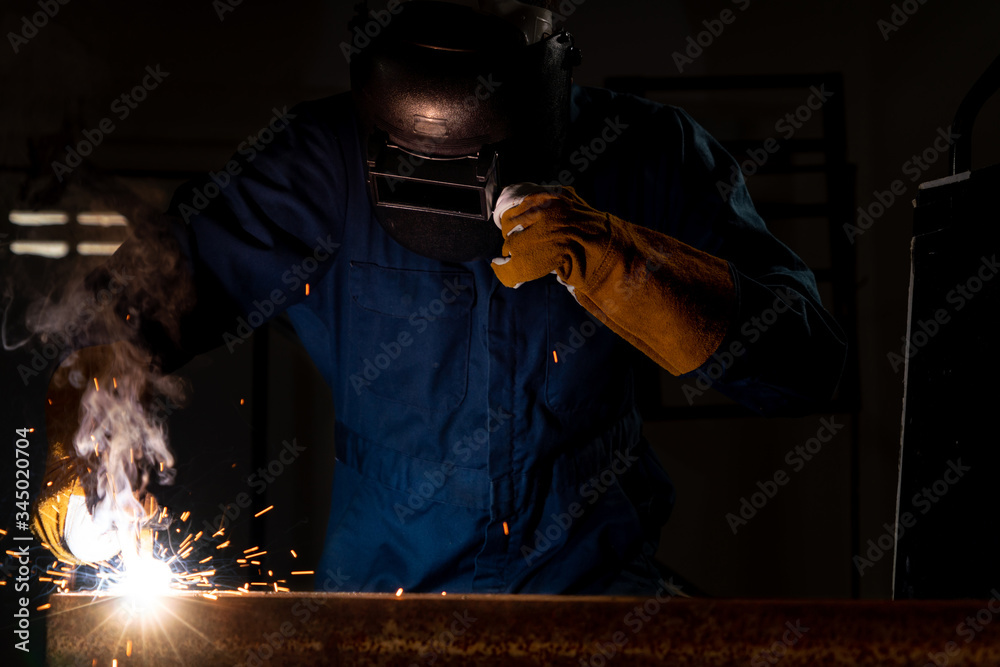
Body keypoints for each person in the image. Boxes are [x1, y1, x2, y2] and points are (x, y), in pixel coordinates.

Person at [33, 0, 847, 595]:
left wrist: (621, 259)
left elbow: (808, 361)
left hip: (593, 596)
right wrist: (89, 412)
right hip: (381, 601)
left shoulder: (649, 157)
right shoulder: (320, 168)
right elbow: (156, 285)